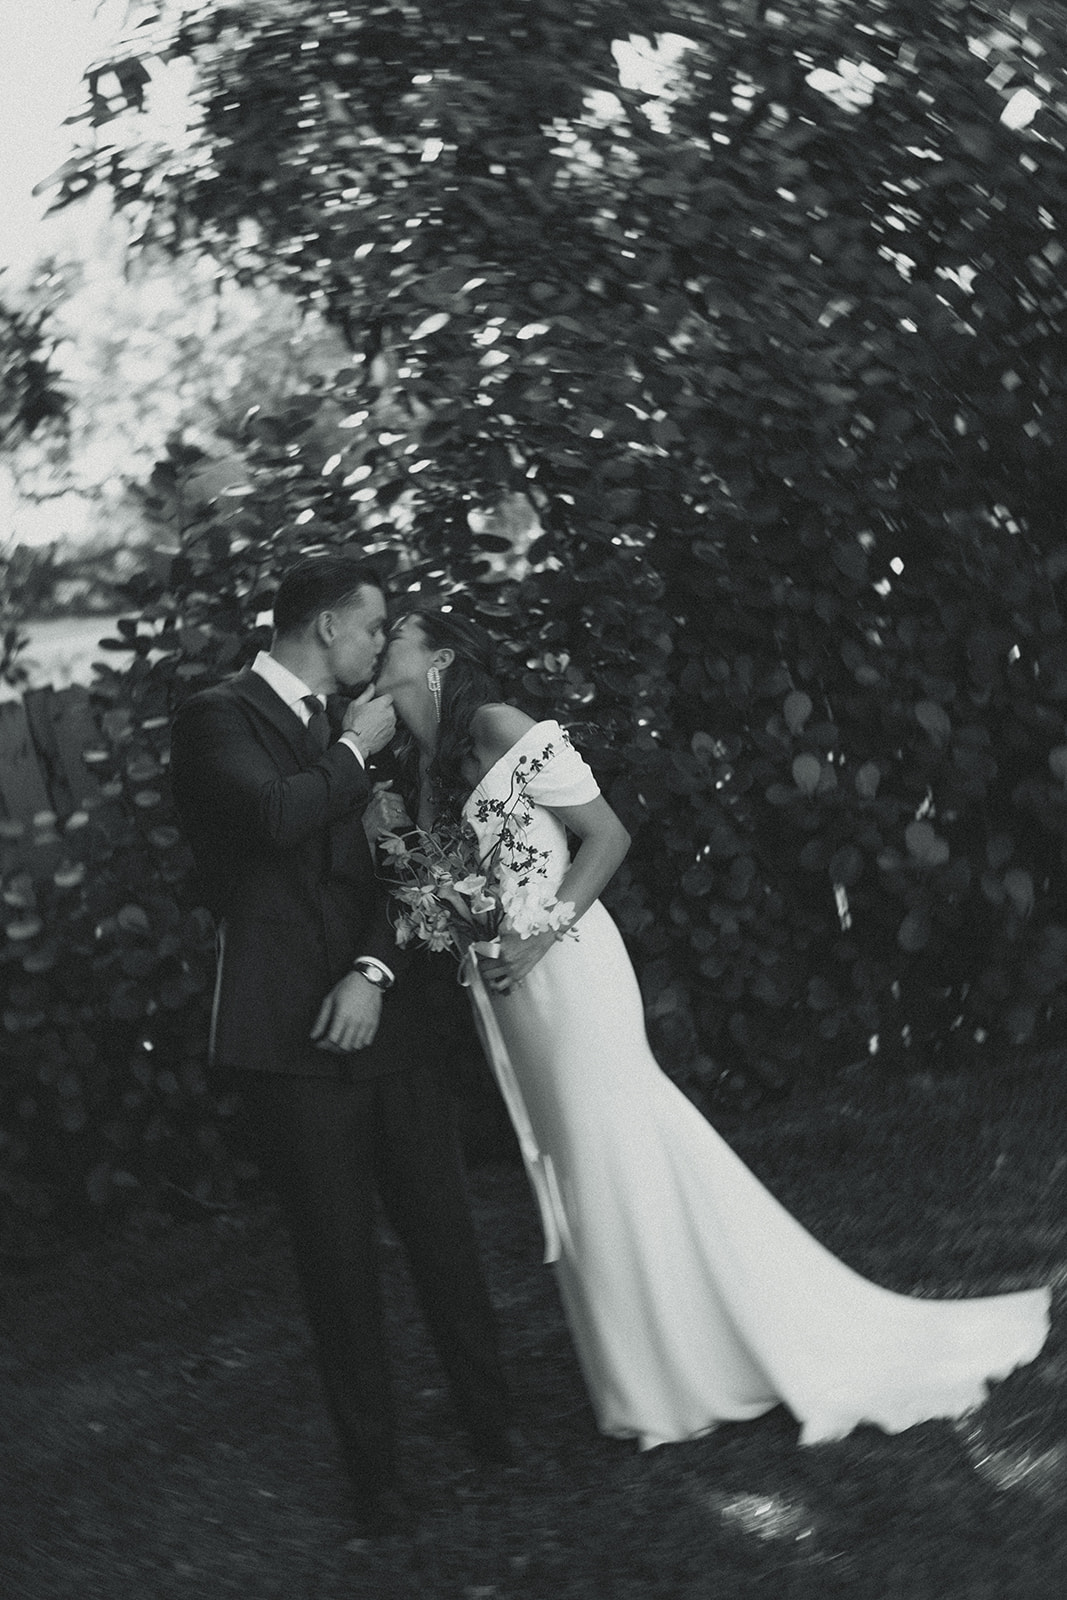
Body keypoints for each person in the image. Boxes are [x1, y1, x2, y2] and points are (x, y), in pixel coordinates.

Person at [373, 605, 1052, 1451]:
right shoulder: (426, 770)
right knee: (590, 1160)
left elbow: (605, 836)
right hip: (513, 998)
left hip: (570, 966)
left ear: (437, 658)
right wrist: (445, 907)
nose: (378, 644)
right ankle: (640, 1370)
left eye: (393, 633)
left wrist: (535, 936)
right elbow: (450, 890)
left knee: (609, 1143)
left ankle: (682, 1371)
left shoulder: (496, 723)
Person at [169, 558, 511, 1537]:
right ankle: (378, 1479)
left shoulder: (354, 731)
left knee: (444, 1233)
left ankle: (492, 1422)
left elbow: (395, 868)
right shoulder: (216, 717)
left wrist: (371, 972)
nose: (376, 649)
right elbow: (275, 817)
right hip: (286, 1035)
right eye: (369, 630)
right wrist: (357, 751)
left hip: (384, 1017)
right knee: (337, 1264)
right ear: (325, 627)